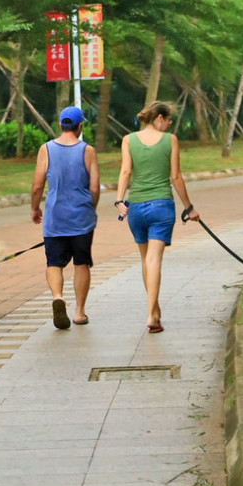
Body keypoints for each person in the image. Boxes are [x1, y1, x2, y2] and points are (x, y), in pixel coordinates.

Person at [115, 100, 200, 333]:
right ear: (160, 118)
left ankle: (155, 310)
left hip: (136, 208)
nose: (169, 125)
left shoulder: (128, 140)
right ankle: (150, 315)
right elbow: (176, 177)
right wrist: (189, 207)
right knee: (154, 260)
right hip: (161, 207)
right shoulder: (170, 140)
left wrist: (119, 200)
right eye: (168, 120)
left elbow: (125, 171)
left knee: (146, 260)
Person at [31, 105, 100, 329]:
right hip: (81, 219)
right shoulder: (87, 150)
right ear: (80, 126)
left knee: (54, 263)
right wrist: (91, 207)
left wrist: (35, 208)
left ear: (60, 124)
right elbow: (95, 188)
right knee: (81, 263)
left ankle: (58, 297)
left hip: (55, 217)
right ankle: (79, 312)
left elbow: (37, 185)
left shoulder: (46, 149)